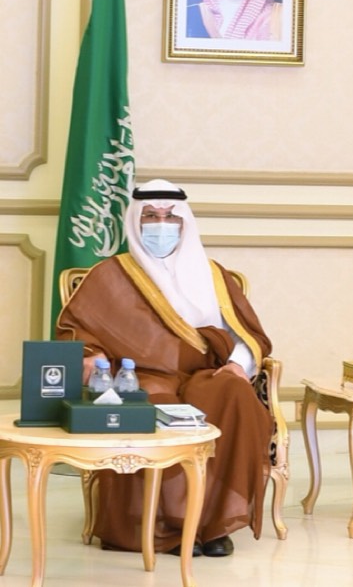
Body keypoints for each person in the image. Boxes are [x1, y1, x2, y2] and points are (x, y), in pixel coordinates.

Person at [56, 180, 274, 557]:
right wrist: (91, 357)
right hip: (140, 375)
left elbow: (247, 335)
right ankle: (157, 525)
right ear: (135, 222)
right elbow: (78, 332)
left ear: (184, 222)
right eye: (151, 216)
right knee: (152, 402)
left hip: (204, 372)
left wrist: (238, 366)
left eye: (170, 217)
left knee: (232, 393)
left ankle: (210, 524)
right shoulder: (110, 275)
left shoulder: (213, 275)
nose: (161, 225)